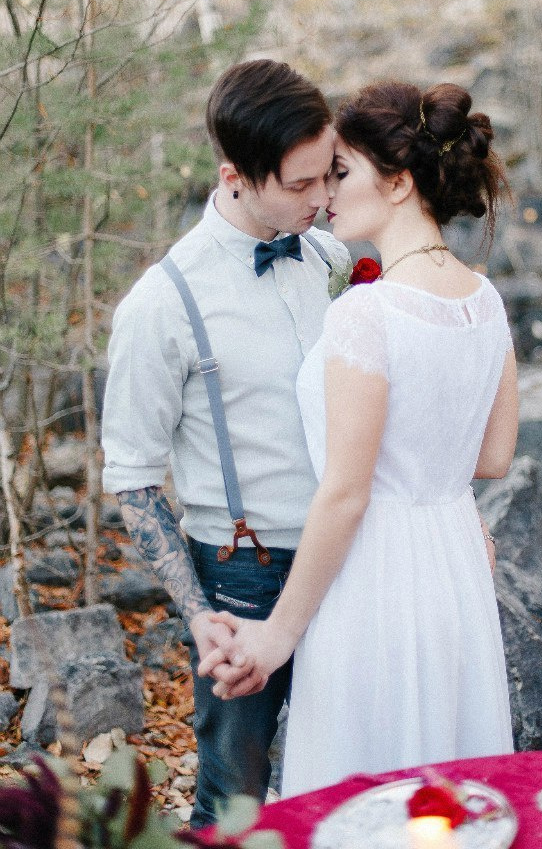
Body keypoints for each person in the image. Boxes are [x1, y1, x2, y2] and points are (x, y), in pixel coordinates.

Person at [199, 80, 519, 797]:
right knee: (450, 787)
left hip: (373, 573)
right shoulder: (484, 297)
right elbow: (493, 456)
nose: (326, 195)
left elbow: (345, 494)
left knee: (362, 795)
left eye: (342, 173)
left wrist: (278, 633)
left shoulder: (366, 316)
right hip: (454, 563)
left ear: (399, 182)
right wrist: (423, 470)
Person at [100, 59, 350, 827]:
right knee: (235, 803)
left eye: (330, 175)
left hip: (350, 558)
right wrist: (197, 609)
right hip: (244, 579)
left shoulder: (332, 259)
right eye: (302, 185)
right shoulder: (161, 305)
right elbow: (133, 479)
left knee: (347, 779)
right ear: (235, 176)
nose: (326, 199)